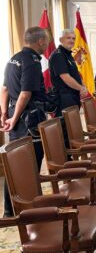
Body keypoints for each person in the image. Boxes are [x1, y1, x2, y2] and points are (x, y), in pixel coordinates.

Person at [1, 27, 51, 217]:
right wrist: (13, 118)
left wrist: (5, 113)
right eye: (46, 41)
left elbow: (5, 89)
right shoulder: (32, 62)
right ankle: (30, 208)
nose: (46, 45)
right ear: (40, 42)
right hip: (28, 119)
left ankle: (10, 210)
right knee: (31, 163)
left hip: (15, 115)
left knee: (14, 163)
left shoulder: (13, 59)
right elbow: (25, 93)